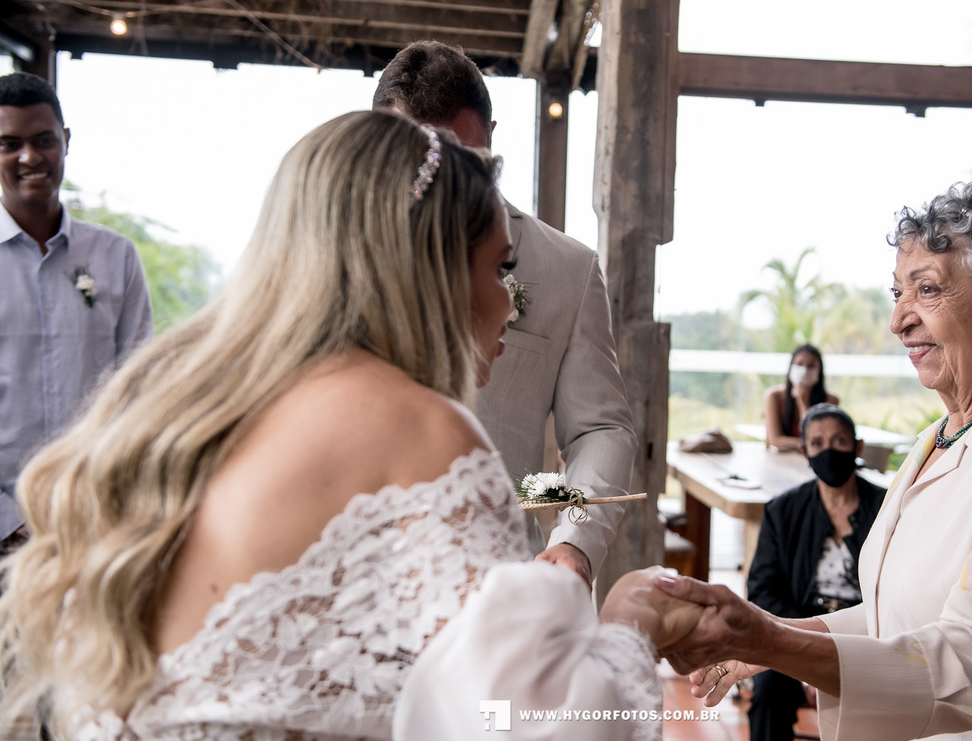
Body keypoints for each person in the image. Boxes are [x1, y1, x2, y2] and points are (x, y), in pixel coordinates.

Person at [0, 111, 680, 741]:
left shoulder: (185, 402)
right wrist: (631, 622)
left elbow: (598, 430)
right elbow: (524, 729)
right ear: (429, 269)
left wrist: (571, 544)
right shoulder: (426, 433)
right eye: (499, 268)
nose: (508, 302)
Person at [652, 182, 972, 741]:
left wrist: (771, 641)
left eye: (927, 290)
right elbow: (895, 615)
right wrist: (770, 636)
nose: (898, 320)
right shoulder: (938, 439)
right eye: (898, 293)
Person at [372, 40, 636, 586]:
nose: (444, 187)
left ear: (491, 139)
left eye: (464, 161)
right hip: (361, 579)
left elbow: (600, 429)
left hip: (505, 581)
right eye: (421, 162)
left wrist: (575, 540)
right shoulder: (340, 256)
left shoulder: (566, 268)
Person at [0, 71, 153, 546]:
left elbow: (137, 391)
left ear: (65, 141)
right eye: (9, 144)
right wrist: (10, 523)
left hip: (94, 524)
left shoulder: (115, 256)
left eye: (43, 140)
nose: (30, 157)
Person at [744, 403, 885, 741]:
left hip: (868, 630)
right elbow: (763, 589)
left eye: (839, 441)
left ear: (857, 447)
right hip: (798, 627)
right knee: (768, 693)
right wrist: (804, 647)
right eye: (817, 444)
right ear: (804, 451)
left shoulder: (887, 507)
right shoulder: (782, 511)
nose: (828, 451)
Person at [763, 344, 838, 452]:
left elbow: (820, 437)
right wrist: (808, 444)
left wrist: (802, 401)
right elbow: (775, 440)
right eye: (799, 364)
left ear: (819, 371)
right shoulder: (774, 396)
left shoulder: (831, 400)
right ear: (791, 367)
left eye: (811, 366)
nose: (804, 370)